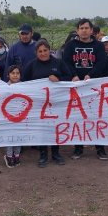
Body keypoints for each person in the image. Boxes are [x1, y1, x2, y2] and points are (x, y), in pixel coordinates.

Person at [62, 18, 108, 160]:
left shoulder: (99, 46)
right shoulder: (70, 45)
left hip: (93, 87)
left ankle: (100, 148)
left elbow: (102, 63)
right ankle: (78, 148)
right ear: (77, 30)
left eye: (87, 28)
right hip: (76, 87)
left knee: (96, 117)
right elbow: (65, 62)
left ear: (92, 30)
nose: (84, 30)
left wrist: (91, 75)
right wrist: (74, 75)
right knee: (77, 118)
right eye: (81, 28)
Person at [23, 39, 73, 167]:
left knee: (56, 128)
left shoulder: (58, 63)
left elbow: (69, 77)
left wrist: (59, 79)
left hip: (57, 103)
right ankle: (43, 155)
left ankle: (56, 153)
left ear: (49, 50)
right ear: (36, 53)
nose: (43, 53)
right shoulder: (31, 65)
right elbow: (24, 83)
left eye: (45, 50)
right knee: (42, 129)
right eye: (40, 51)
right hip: (39, 104)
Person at [4, 65, 23, 168]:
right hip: (8, 118)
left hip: (20, 117)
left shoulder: (25, 87)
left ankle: (17, 155)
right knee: (10, 137)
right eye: (13, 73)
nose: (15, 75)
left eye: (17, 73)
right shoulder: (4, 87)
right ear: (8, 75)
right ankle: (8, 156)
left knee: (18, 137)